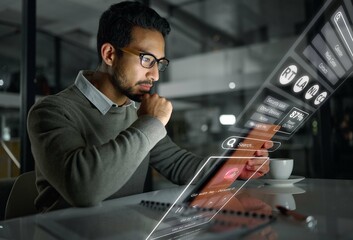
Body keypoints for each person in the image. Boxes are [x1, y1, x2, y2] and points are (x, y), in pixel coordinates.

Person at [27, 1, 271, 213]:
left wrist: (235, 166)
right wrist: (151, 123)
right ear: (110, 54)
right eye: (146, 60)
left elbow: (178, 164)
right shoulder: (50, 111)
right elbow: (84, 190)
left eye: (159, 63)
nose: (155, 74)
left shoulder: (137, 113)